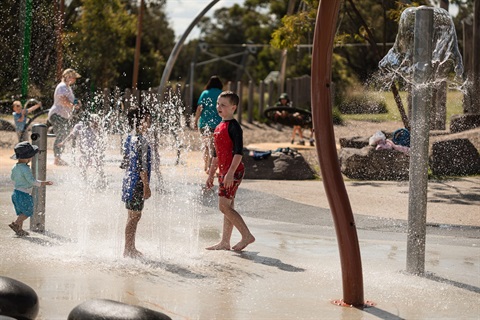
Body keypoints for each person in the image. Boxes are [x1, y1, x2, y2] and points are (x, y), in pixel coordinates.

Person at [205, 91, 255, 251]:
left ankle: (246, 235)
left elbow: (238, 153)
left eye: (223, 105)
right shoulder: (219, 127)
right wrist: (211, 174)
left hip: (233, 172)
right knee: (229, 206)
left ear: (233, 107)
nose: (219, 107)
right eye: (218, 104)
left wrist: (230, 173)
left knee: (224, 207)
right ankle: (225, 242)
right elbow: (216, 155)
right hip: (224, 172)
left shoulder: (234, 127)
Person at [121, 107, 152, 258]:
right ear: (140, 121)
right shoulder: (142, 141)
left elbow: (125, 162)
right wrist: (146, 186)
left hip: (129, 182)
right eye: (147, 118)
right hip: (137, 183)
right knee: (135, 217)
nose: (149, 122)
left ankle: (130, 247)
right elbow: (142, 167)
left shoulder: (129, 137)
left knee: (132, 216)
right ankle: (128, 249)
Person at [9, 141, 53, 237]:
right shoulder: (25, 169)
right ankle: (16, 224)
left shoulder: (15, 167)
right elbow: (32, 181)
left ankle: (19, 230)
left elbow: (12, 178)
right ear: (28, 157)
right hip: (24, 194)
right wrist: (44, 183)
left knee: (21, 212)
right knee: (28, 212)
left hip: (15, 193)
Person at [58, 113, 107, 186]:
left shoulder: (97, 129)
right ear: (89, 121)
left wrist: (101, 148)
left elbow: (101, 139)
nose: (95, 124)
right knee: (83, 167)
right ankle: (84, 182)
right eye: (94, 122)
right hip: (84, 152)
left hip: (95, 151)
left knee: (99, 165)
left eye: (97, 122)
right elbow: (71, 135)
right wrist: (63, 142)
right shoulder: (79, 126)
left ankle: (103, 181)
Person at [48, 68, 82, 166]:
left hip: (63, 115)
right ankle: (57, 159)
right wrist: (73, 106)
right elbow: (63, 100)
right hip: (57, 114)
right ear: (68, 77)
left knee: (64, 134)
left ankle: (58, 158)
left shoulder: (68, 87)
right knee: (62, 134)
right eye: (74, 77)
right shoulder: (62, 86)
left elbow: (71, 99)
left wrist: (77, 102)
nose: (75, 80)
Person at [194, 76, 223, 173]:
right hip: (218, 125)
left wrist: (195, 121)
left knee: (206, 146)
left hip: (204, 124)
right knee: (215, 146)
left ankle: (206, 166)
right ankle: (211, 167)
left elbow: (199, 108)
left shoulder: (205, 93)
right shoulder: (221, 94)